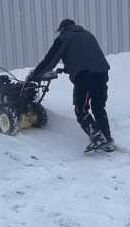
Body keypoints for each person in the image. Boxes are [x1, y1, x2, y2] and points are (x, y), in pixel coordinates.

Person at [28, 19, 114, 152]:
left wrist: (35, 75)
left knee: (81, 109)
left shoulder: (64, 37)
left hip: (85, 76)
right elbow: (87, 56)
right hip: (101, 73)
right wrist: (67, 68)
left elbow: (50, 59)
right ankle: (107, 139)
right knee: (98, 107)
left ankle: (97, 136)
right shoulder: (87, 34)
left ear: (62, 29)